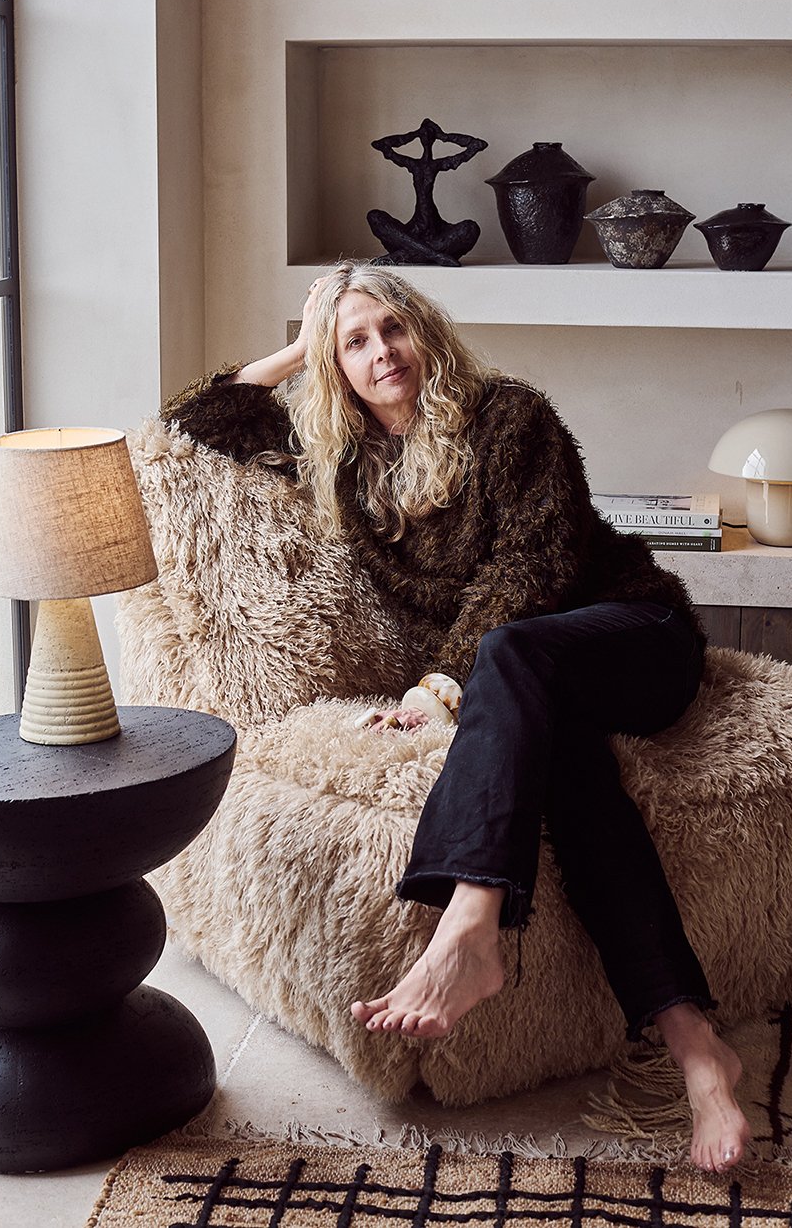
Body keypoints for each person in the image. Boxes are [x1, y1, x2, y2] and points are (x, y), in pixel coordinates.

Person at [161, 260, 752, 1174]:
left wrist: (438, 687)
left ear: (424, 333)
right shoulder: (345, 460)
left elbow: (531, 575)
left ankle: (470, 926)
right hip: (532, 685)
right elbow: (197, 421)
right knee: (571, 773)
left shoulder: (509, 416)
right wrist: (299, 341)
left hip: (633, 636)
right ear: (335, 364)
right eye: (353, 342)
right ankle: (694, 1047)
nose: (379, 351)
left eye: (391, 328)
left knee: (513, 654)